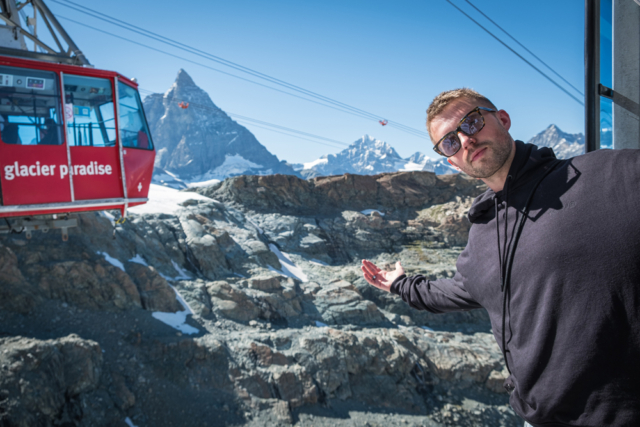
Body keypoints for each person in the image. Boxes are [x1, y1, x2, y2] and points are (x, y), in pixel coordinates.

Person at [361, 88, 640, 427]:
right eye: (450, 142)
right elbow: (455, 291)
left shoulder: (611, 173)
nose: (465, 140)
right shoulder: (482, 234)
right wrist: (400, 284)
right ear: (451, 161)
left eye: (472, 122)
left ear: (503, 120)